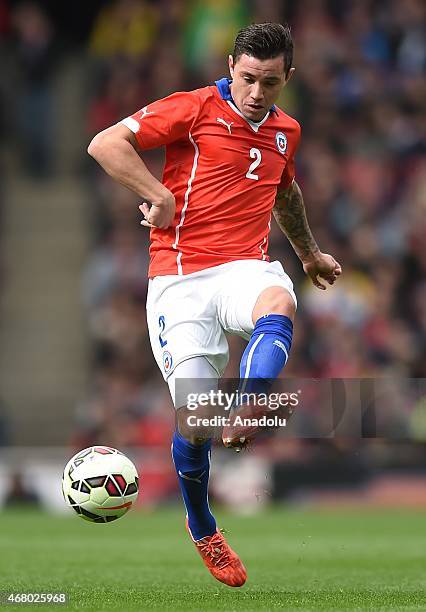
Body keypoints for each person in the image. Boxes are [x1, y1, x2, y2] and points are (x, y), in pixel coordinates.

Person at [88, 22, 342, 588]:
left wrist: (309, 253)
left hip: (242, 267)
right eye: (248, 78)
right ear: (231, 65)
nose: (256, 93)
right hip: (179, 280)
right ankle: (202, 524)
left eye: (270, 83)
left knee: (278, 299)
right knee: (196, 422)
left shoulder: (286, 132)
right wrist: (156, 193)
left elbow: (284, 192)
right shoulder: (193, 108)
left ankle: (250, 406)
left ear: (287, 80)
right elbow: (105, 142)